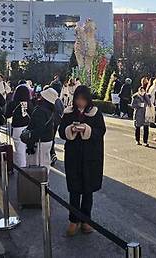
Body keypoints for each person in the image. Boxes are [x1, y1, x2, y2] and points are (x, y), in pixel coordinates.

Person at [59, 86, 106, 237]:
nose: (80, 102)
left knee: (87, 189)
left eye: (83, 99)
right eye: (78, 99)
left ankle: (86, 220)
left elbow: (101, 131)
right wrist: (71, 130)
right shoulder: (68, 112)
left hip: (90, 156)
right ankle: (73, 220)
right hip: (73, 155)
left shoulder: (95, 113)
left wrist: (87, 129)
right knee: (74, 189)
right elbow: (61, 131)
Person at [25, 88, 61, 167]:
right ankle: (45, 179)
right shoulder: (52, 110)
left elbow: (38, 129)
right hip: (48, 140)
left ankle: (40, 180)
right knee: (45, 164)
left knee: (37, 166)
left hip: (40, 142)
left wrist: (30, 143)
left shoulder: (40, 110)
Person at [5, 85, 33, 167]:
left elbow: (7, 115)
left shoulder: (12, 103)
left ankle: (22, 169)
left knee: (20, 151)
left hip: (17, 128)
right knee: (29, 150)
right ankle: (30, 169)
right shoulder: (30, 103)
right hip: (28, 128)